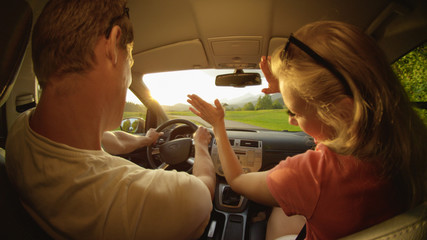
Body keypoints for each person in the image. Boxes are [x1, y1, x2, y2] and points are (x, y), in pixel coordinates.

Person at [187, 20, 427, 239]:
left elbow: (238, 180)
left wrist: (219, 126)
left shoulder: (309, 176)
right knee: (282, 206)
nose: (291, 121)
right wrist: (291, 91)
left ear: (341, 114)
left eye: (294, 112)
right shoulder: (412, 142)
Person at [5, 0, 216, 239]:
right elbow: (205, 188)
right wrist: (199, 144)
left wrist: (144, 141)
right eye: (131, 61)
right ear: (114, 44)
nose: (127, 80)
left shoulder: (18, 132)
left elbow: (111, 140)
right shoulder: (144, 199)